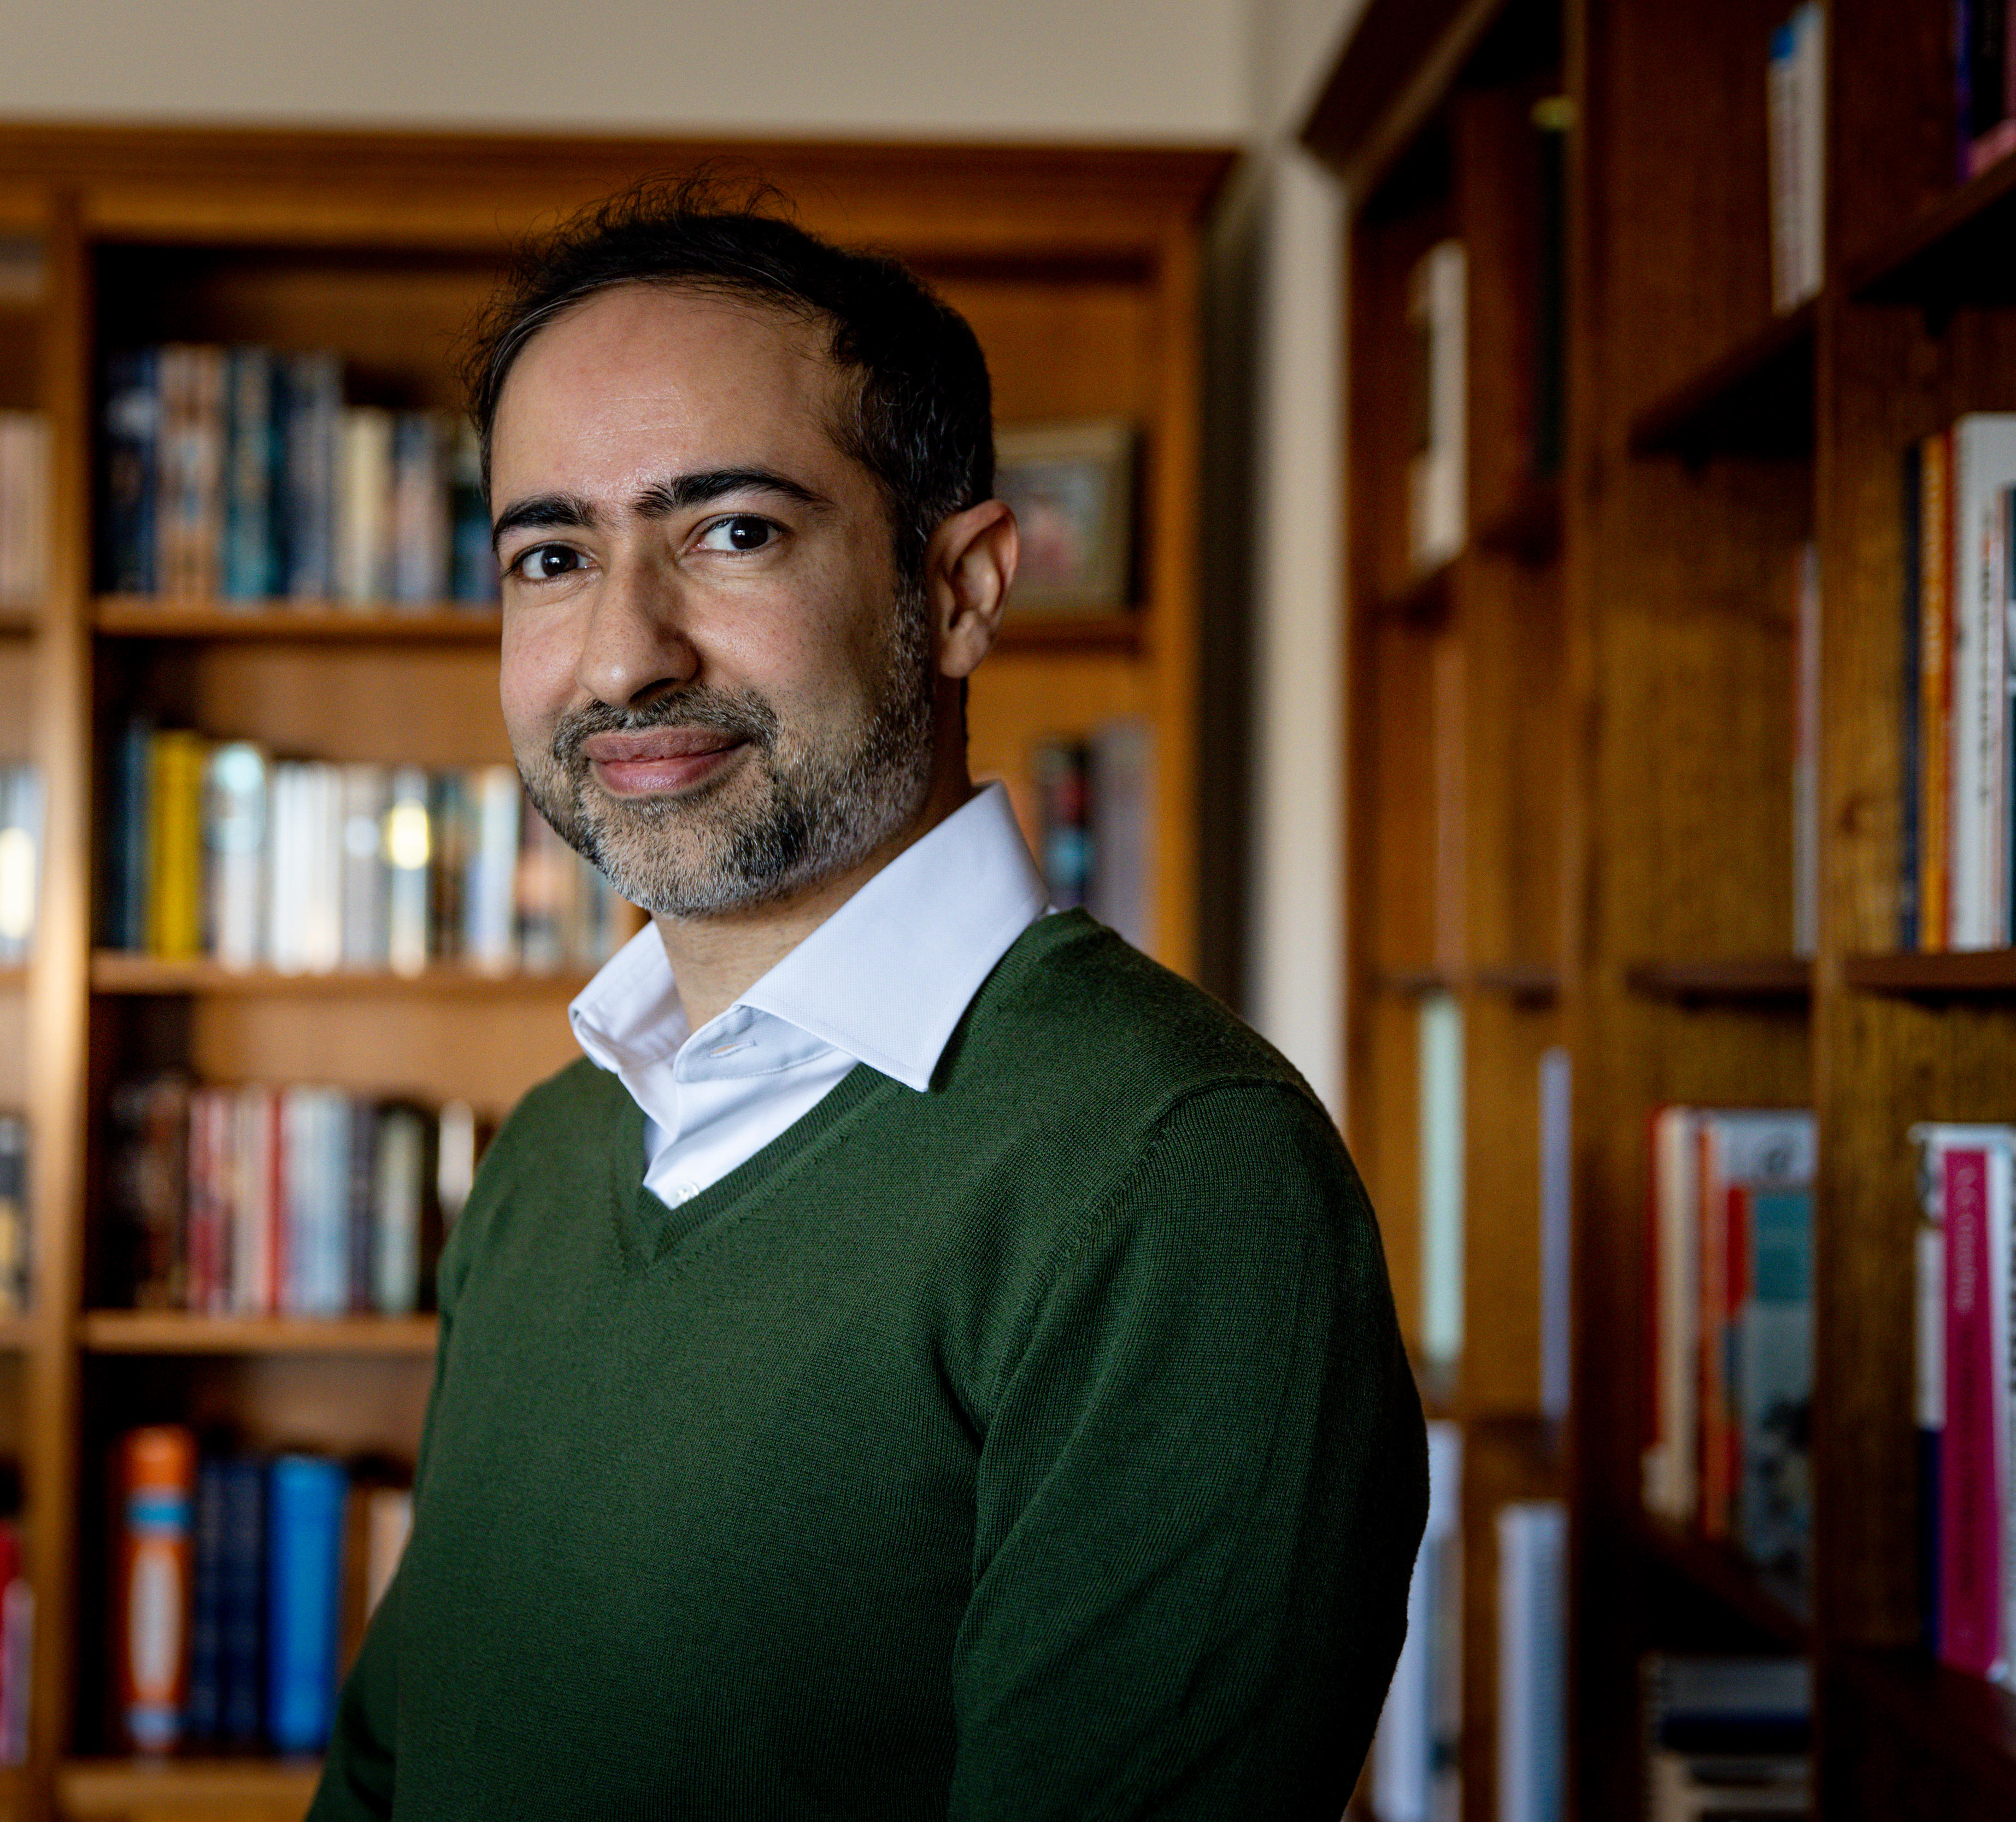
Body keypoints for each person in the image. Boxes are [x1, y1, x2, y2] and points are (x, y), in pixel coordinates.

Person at [309, 181, 1426, 1822]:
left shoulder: (1180, 1179)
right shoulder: (556, 1150)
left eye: (731, 532)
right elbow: (394, 1773)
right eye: (552, 554)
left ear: (963, 587)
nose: (622, 655)